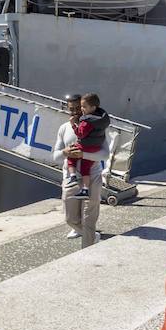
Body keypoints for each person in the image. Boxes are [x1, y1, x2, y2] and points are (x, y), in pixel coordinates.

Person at [52, 94, 108, 245]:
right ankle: (89, 235)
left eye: (79, 108)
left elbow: (105, 154)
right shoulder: (64, 128)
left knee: (89, 218)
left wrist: (84, 154)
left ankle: (87, 249)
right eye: (72, 109)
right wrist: (65, 152)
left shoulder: (96, 126)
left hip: (93, 176)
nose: (76, 111)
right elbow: (55, 157)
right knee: (70, 219)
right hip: (71, 177)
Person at [67, 92, 110, 199]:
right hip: (95, 148)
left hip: (85, 146)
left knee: (71, 156)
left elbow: (80, 134)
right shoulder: (100, 120)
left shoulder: (87, 121)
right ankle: (85, 190)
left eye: (82, 107)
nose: (81, 109)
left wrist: (73, 125)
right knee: (85, 169)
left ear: (93, 107)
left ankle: (72, 177)